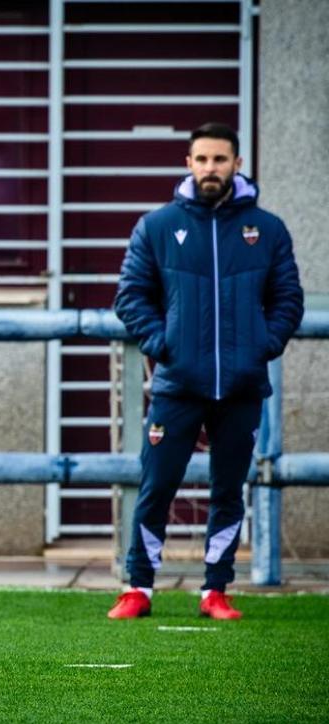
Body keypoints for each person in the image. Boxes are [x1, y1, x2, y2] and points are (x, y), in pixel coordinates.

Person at [109, 122, 303, 621]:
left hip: (241, 386)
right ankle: (138, 588)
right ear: (188, 164)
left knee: (227, 492)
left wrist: (262, 346)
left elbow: (287, 299)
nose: (210, 168)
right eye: (202, 159)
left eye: (219, 159)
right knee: (156, 488)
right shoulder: (157, 226)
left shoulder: (267, 230)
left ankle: (215, 589)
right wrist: (164, 345)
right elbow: (130, 297)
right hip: (178, 384)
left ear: (237, 164)